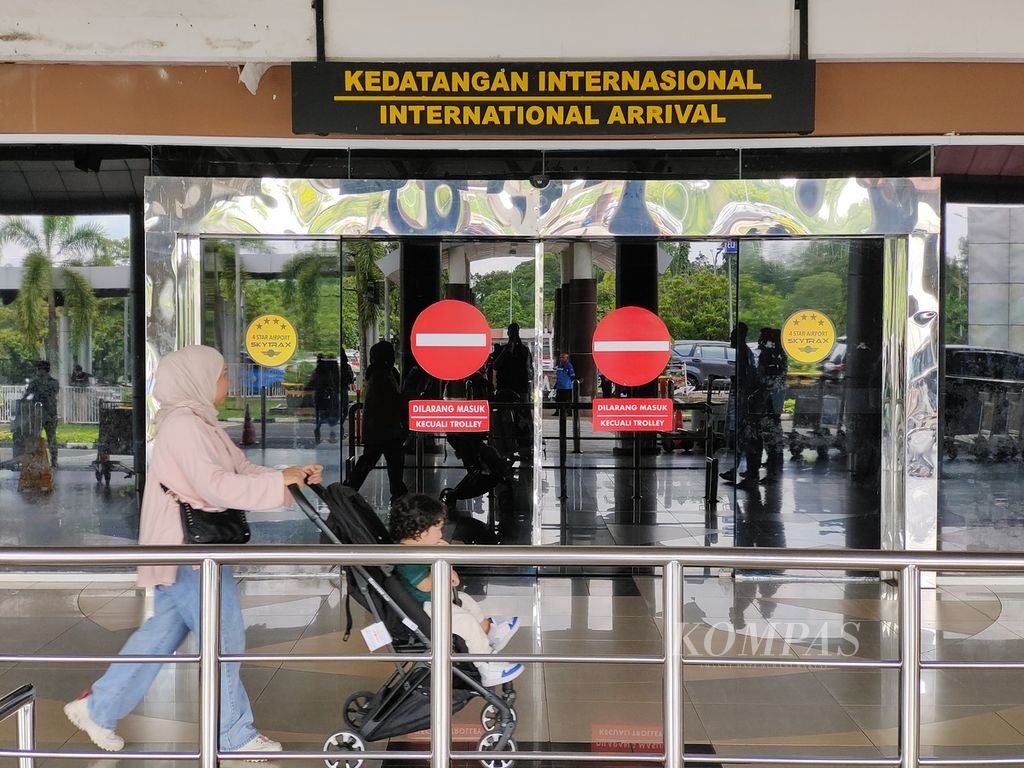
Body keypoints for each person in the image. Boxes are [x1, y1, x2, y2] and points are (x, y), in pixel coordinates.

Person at [63, 344, 322, 755]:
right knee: (225, 640)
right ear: (196, 379)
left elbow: (237, 470)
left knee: (161, 633)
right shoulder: (183, 424)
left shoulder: (200, 421)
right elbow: (213, 486)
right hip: (189, 550)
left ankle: (99, 706)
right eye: (221, 374)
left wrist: (286, 477)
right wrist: (278, 484)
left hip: (193, 549)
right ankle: (234, 736)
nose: (227, 381)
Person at [388, 494, 523, 687]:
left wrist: (446, 563)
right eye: (438, 529)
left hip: (434, 600)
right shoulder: (408, 556)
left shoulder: (421, 549)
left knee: (465, 599)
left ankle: (488, 631)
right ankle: (486, 664)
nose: (441, 535)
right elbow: (425, 585)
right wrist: (440, 557)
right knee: (466, 622)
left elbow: (447, 580)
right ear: (421, 532)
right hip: (425, 607)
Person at [345, 340, 408, 503]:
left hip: (379, 429)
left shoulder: (380, 374)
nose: (394, 356)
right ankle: (397, 493)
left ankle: (349, 490)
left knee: (370, 461)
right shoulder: (383, 376)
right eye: (391, 354)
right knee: (390, 462)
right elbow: (391, 402)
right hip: (385, 430)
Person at [23, 360, 59, 468]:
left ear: (40, 369)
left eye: (38, 369)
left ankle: (36, 460)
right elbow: (54, 393)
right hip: (51, 413)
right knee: (52, 438)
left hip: (38, 414)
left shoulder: (34, 382)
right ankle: (54, 461)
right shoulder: (54, 382)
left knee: (36, 437)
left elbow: (27, 395)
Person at [308, 353, 341, 444]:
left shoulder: (318, 370)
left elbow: (312, 382)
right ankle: (332, 435)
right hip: (328, 396)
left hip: (319, 395)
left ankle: (318, 433)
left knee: (320, 415)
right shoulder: (331, 371)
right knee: (330, 415)